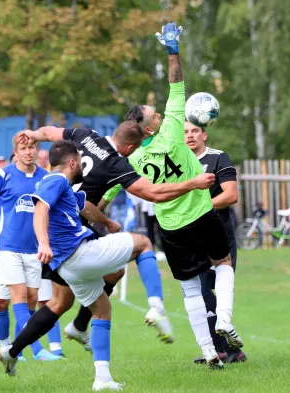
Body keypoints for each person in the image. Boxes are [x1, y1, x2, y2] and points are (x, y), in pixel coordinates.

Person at [0, 140, 194, 390]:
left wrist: (108, 223)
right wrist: (44, 243)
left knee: (102, 310)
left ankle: (101, 378)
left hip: (68, 266)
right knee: (143, 243)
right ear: (71, 162)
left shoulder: (62, 187)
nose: (81, 165)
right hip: (80, 253)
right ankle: (157, 307)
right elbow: (40, 209)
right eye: (79, 160)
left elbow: (86, 207)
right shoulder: (55, 181)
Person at [102, 22, 242, 368]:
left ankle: (209, 351)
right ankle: (223, 318)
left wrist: (97, 216)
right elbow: (176, 82)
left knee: (191, 288)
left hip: (171, 227)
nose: (161, 114)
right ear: (148, 127)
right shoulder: (174, 130)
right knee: (223, 265)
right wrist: (172, 49)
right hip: (201, 213)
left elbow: (108, 192)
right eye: (155, 115)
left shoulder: (129, 159)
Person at [17, 117, 215, 350]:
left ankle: (59, 335)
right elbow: (154, 194)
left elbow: (51, 132)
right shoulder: (116, 164)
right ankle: (154, 308)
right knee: (64, 301)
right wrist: (193, 183)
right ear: (130, 148)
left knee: (111, 274)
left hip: (68, 227)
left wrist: (33, 134)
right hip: (69, 234)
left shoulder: (86, 135)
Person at [0, 132, 61, 362]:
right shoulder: (2, 175)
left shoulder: (46, 178)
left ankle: (13, 349)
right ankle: (34, 350)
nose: (28, 152)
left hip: (34, 249)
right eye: (23, 148)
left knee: (31, 298)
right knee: (17, 297)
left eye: (32, 147)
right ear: (15, 151)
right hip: (7, 247)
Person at [184, 121, 246, 364]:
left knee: (216, 293)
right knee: (200, 293)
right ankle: (223, 349)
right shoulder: (178, 162)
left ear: (204, 134)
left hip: (219, 234)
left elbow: (231, 195)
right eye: (186, 132)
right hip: (190, 237)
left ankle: (225, 349)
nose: (190, 136)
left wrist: (199, 208)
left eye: (194, 131)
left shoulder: (219, 158)